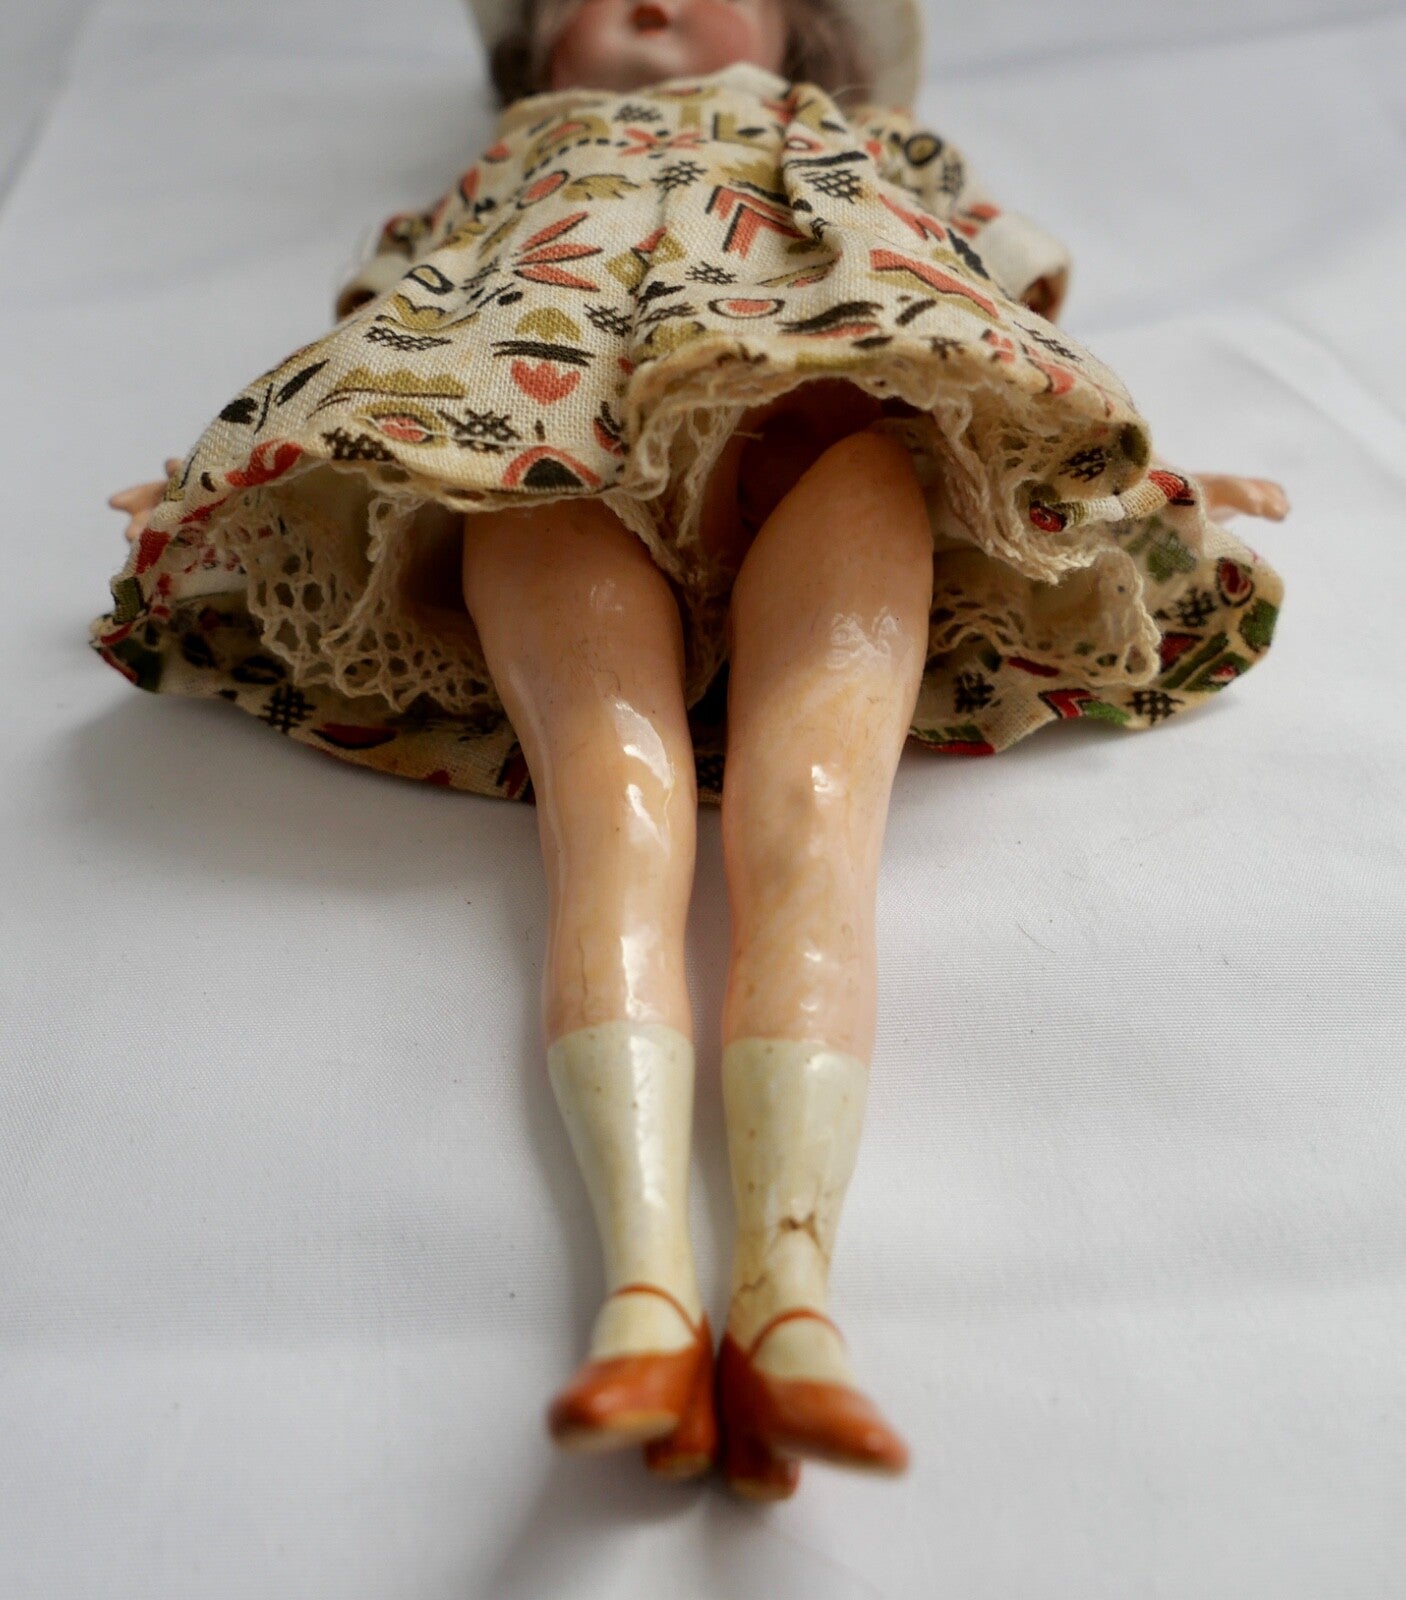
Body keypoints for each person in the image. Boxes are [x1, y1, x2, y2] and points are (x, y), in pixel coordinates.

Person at [93, 0, 1288, 1500]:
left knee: (814, 815)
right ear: (537, 58)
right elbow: (383, 330)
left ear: (804, 35)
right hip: (539, 453)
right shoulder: (513, 162)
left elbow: (990, 309)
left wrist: (1131, 473)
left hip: (836, 434)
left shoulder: (867, 144)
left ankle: (791, 1300)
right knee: (611, 809)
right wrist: (224, 471)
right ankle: (646, 1293)